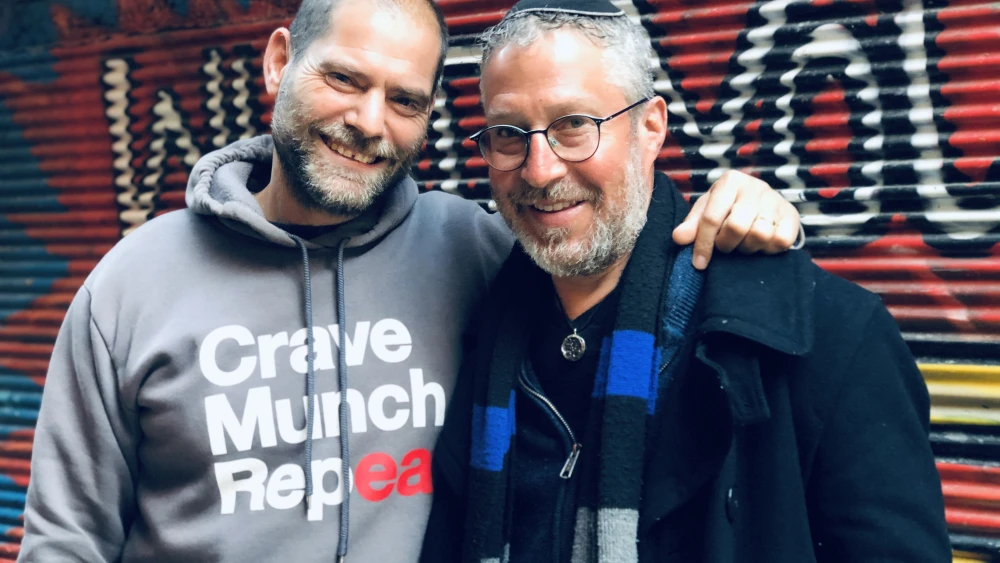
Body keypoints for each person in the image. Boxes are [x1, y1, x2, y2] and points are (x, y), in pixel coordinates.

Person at [17, 1, 803, 562]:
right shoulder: (131, 285)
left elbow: (606, 240)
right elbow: (65, 541)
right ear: (279, 60)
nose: (368, 120)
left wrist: (744, 202)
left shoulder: (478, 250)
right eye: (344, 79)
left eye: (404, 100)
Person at [419, 1, 951, 562]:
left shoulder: (819, 339)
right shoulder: (481, 331)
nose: (539, 169)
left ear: (651, 128)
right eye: (508, 133)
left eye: (575, 125)